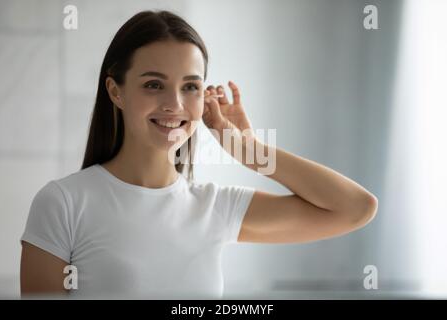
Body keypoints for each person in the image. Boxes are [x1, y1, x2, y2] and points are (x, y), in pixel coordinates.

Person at [20, 10, 378, 299]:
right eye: (153, 84)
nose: (174, 104)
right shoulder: (64, 203)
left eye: (190, 86)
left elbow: (356, 208)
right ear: (115, 91)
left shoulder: (215, 207)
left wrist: (251, 151)